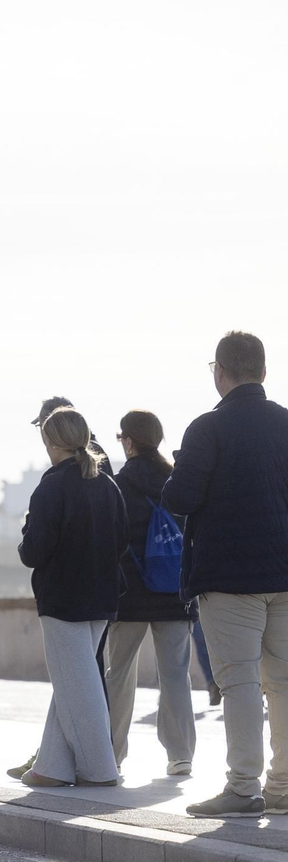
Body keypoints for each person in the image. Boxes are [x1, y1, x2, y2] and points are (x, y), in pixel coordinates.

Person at [165, 331, 288, 817]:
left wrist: (178, 472)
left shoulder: (207, 428)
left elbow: (180, 499)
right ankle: (283, 787)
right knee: (283, 683)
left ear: (220, 371)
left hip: (229, 576)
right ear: (262, 370)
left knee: (238, 683)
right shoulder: (286, 423)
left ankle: (243, 787)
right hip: (285, 572)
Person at [17, 408, 127, 788]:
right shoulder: (106, 484)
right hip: (102, 596)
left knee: (78, 686)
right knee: (74, 682)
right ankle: (51, 766)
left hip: (63, 599)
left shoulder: (52, 486)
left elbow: (33, 552)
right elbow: (122, 540)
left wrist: (27, 530)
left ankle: (101, 769)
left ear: (50, 441)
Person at [105, 410, 196, 775]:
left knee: (119, 672)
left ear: (128, 441)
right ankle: (180, 755)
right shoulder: (177, 481)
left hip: (129, 594)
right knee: (175, 672)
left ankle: (111, 753)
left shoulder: (118, 484)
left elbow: (113, 539)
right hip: (175, 592)